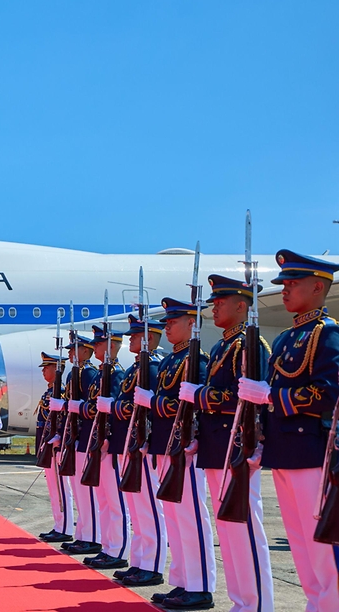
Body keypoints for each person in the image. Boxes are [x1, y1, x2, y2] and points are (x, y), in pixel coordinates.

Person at [238, 250, 339, 611]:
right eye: (283, 283)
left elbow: (328, 394)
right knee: (299, 543)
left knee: (323, 549)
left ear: (317, 287)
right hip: (283, 452)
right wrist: (262, 439)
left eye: (292, 284)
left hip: (311, 453)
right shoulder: (284, 339)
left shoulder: (327, 335)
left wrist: (272, 396)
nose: (284, 290)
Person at [180, 274, 273, 611]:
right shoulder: (222, 346)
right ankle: (241, 602)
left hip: (238, 448)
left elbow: (247, 398)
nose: (214, 307)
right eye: (214, 301)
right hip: (216, 447)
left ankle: (256, 605)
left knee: (245, 531)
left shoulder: (251, 346)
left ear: (241, 304)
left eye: (221, 301)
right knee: (230, 534)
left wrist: (200, 395)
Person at [136, 297, 215, 610]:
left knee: (192, 517)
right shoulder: (170, 361)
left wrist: (152, 402)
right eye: (166, 321)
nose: (167, 326)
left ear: (191, 324)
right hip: (164, 444)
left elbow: (193, 404)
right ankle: (183, 581)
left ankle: (200, 586)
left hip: (184, 447)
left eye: (173, 321)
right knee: (175, 518)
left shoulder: (198, 359)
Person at [109, 314, 168, 588]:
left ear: (150, 338)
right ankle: (139, 561)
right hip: (129, 442)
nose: (130, 339)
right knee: (137, 506)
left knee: (148, 509)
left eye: (135, 335)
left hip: (142, 444)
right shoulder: (135, 369)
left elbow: (149, 407)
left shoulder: (152, 367)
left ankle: (152, 566)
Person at [83, 324, 129, 571]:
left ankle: (118, 550)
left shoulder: (116, 373)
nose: (95, 347)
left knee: (115, 499)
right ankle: (107, 545)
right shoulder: (102, 374)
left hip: (109, 443)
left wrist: (107, 437)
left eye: (99, 343)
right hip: (98, 441)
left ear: (112, 346)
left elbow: (113, 410)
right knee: (104, 499)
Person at [60, 333, 101, 556]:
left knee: (87, 492)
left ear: (86, 351)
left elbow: (90, 406)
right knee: (79, 491)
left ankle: (93, 537)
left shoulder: (89, 374)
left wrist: (77, 408)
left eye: (74, 350)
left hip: (86, 436)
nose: (69, 354)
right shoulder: (74, 374)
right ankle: (84, 534)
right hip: (75, 436)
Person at [37, 352, 74, 543]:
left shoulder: (60, 393)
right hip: (47, 446)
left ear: (56, 369)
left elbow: (63, 418)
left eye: (47, 367)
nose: (44, 371)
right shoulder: (50, 391)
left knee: (61, 488)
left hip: (55, 446)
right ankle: (59, 524)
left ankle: (65, 527)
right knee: (53, 488)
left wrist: (59, 437)